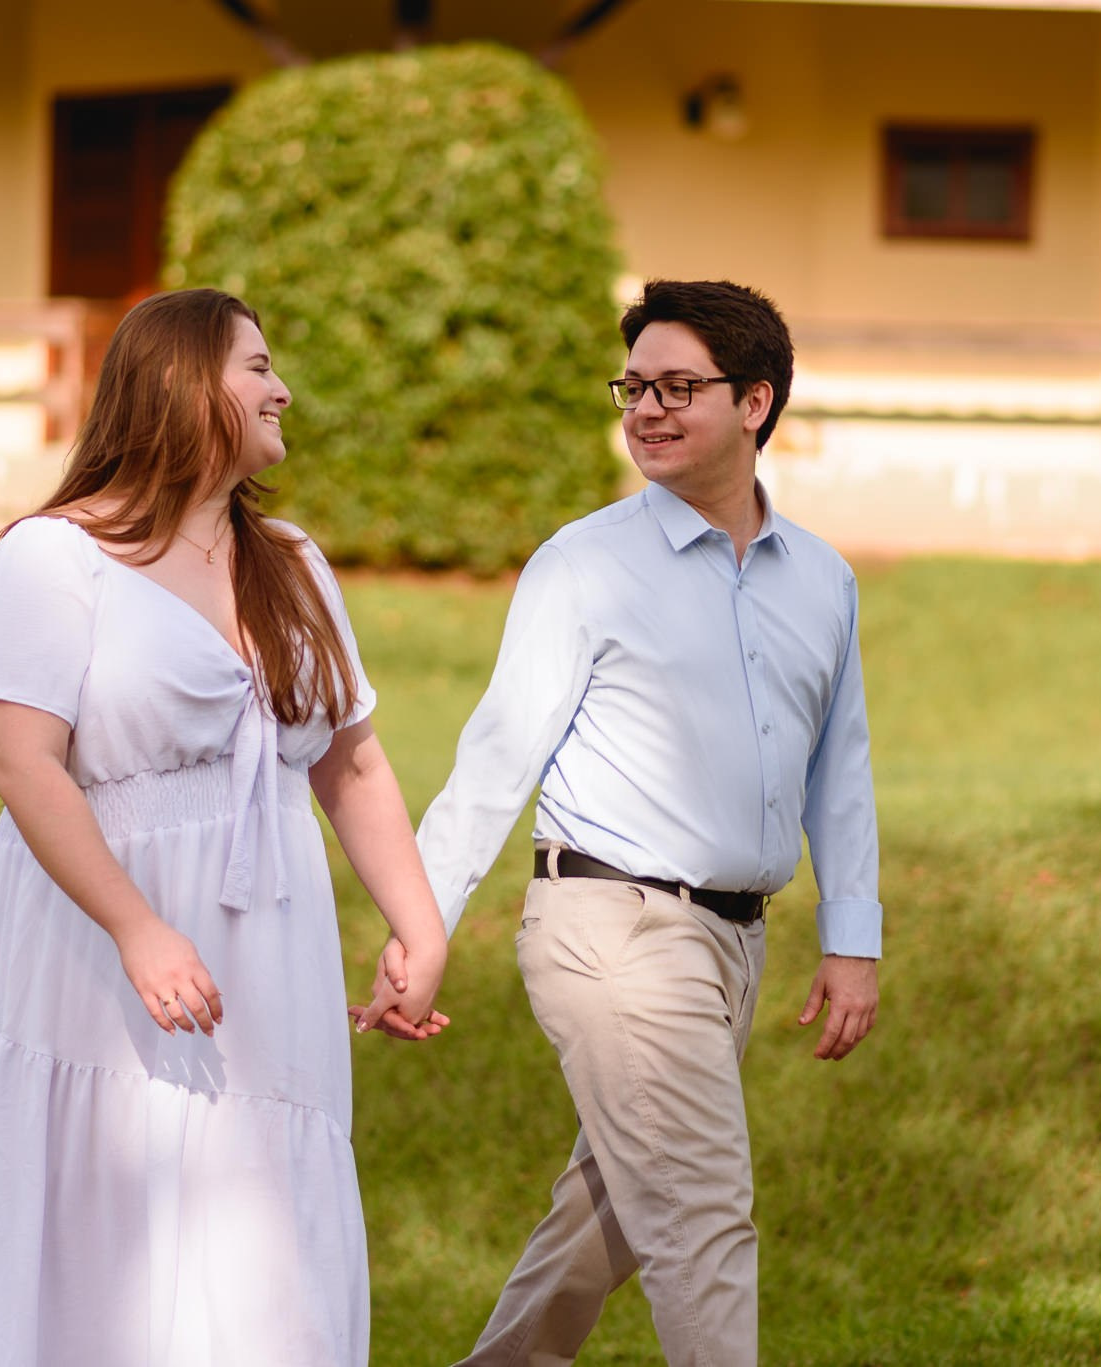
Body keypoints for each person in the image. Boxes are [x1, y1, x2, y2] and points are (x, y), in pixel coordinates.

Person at [0, 288, 448, 1367]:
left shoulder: (290, 561)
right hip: (92, 945)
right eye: (255, 366)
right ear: (179, 382)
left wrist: (418, 926)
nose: (280, 387)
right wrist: (138, 927)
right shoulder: (49, 559)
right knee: (108, 1211)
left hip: (269, 948)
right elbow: (26, 769)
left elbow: (351, 758)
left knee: (257, 1230)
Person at [413, 279, 882, 1366]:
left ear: (754, 400)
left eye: (678, 386)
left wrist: (849, 936)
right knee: (702, 1211)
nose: (647, 410)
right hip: (610, 926)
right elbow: (496, 757)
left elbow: (838, 768)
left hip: (731, 940)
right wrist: (422, 924)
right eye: (634, 387)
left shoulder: (821, 578)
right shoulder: (583, 565)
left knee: (613, 1207)